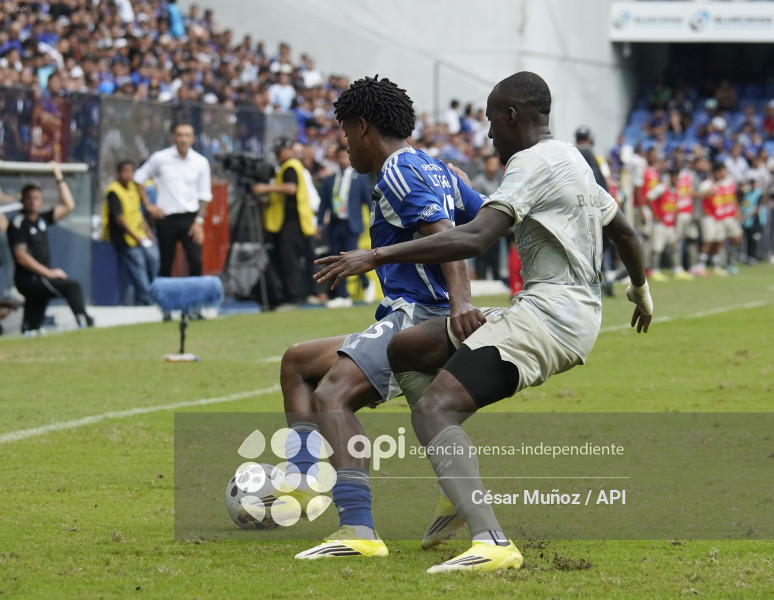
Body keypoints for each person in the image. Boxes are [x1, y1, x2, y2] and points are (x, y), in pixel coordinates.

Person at [315, 71, 653, 573]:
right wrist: (641, 292)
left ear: (512, 116)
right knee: (405, 348)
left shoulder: (530, 163)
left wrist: (377, 255)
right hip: (565, 313)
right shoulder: (571, 159)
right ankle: (454, 479)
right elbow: (624, 230)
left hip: (549, 317)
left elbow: (474, 239)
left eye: (493, 121)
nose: (489, 133)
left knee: (434, 408)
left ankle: (491, 540)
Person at [286, 75, 485, 561]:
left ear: (362, 126)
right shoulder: (439, 167)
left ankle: (357, 529)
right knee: (298, 362)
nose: (344, 145)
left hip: (418, 315)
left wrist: (458, 303)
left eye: (345, 133)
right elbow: (482, 223)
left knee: (332, 393)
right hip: (416, 314)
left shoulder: (397, 169)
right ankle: (306, 475)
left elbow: (447, 238)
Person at [8, 163, 95, 332]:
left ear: (41, 201)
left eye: (36, 198)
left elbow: (69, 205)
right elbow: (21, 256)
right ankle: (84, 322)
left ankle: (29, 331)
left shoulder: (42, 219)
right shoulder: (18, 223)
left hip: (41, 279)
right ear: (23, 200)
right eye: (29, 198)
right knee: (71, 286)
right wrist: (48, 273)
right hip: (31, 279)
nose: (33, 202)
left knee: (32, 323)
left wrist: (59, 177)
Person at [133, 122, 212, 280]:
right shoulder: (161, 158)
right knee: (166, 263)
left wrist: (199, 221)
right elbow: (138, 178)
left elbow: (204, 194)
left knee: (195, 260)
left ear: (193, 139)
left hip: (190, 220)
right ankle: (165, 302)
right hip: (166, 219)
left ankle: (194, 301)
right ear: (174, 137)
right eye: (180, 135)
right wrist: (148, 205)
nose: (183, 139)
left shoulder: (200, 162)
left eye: (187, 135)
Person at [252, 138, 320, 309]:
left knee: (288, 261)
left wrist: (265, 189)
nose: (276, 155)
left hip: (291, 223)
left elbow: (291, 188)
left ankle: (291, 297)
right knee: (287, 260)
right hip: (291, 222)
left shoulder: (290, 166)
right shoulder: (289, 166)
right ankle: (288, 296)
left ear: (288, 150)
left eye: (278, 151)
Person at [318, 145, 374, 307]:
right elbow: (324, 205)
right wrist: (320, 223)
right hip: (336, 223)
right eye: (340, 157)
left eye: (345, 156)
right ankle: (343, 295)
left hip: (352, 224)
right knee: (337, 259)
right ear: (336, 159)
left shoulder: (360, 179)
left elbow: (369, 202)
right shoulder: (330, 180)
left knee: (352, 257)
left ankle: (365, 282)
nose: (342, 160)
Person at [103, 160, 160, 305]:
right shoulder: (113, 191)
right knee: (138, 264)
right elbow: (119, 218)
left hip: (140, 236)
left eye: (131, 171)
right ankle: (148, 300)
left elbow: (138, 213)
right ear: (118, 173)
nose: (129, 174)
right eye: (125, 171)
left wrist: (147, 231)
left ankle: (157, 294)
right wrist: (136, 237)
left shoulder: (133, 188)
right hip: (124, 239)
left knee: (154, 259)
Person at [470, 154, 504, 281]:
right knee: (482, 258)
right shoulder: (479, 182)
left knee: (495, 258)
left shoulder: (496, 181)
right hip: (483, 226)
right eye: (492, 164)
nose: (494, 167)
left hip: (496, 226)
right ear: (485, 165)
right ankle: (481, 281)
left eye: (496, 165)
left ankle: (497, 284)